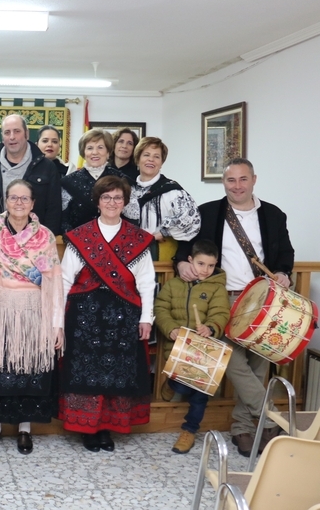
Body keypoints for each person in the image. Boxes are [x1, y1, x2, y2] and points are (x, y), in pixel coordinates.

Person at [174, 158, 294, 457]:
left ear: (254, 179)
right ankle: (269, 417)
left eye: (243, 179)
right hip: (221, 297)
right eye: (231, 180)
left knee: (258, 361)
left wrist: (283, 272)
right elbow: (185, 245)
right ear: (223, 182)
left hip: (262, 298)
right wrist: (180, 262)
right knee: (230, 358)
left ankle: (242, 427)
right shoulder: (209, 212)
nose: (237, 186)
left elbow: (286, 253)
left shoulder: (274, 215)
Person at [60, 176, 155, 452]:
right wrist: (58, 321)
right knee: (86, 372)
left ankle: (107, 429)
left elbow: (146, 281)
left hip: (124, 317)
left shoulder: (137, 238)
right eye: (106, 197)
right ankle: (87, 429)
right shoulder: (81, 236)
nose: (111, 202)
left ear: (125, 202)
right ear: (97, 201)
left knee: (118, 374)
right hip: (84, 318)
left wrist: (146, 318)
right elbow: (66, 280)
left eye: (117, 198)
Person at [0, 179, 64, 455]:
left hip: (33, 310)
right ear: (6, 201)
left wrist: (56, 323)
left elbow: (54, 281)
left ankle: (25, 428)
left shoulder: (45, 236)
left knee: (29, 367)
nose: (19, 203)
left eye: (25, 199)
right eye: (14, 198)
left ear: (33, 203)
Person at [154, 239, 230, 454]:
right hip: (178, 347)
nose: (205, 270)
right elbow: (161, 308)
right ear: (190, 261)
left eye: (210, 265)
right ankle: (171, 385)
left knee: (199, 393)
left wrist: (212, 328)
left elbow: (221, 313)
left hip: (204, 351)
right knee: (180, 383)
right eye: (200, 264)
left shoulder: (217, 288)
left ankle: (189, 430)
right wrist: (170, 329)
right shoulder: (173, 285)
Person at [0, 115, 63, 235]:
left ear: (26, 133)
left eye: (17, 131)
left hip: (35, 243)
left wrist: (46, 241)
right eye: (7, 132)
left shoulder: (47, 168)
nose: (12, 137)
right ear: (2, 136)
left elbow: (54, 211)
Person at [122, 137, 201, 261]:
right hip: (128, 253)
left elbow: (192, 219)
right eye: (146, 155)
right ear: (137, 159)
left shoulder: (173, 191)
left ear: (161, 162)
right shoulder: (126, 189)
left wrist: (163, 233)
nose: (151, 159)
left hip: (160, 255)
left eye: (156, 156)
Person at [60, 128, 129, 233]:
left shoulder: (121, 179)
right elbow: (62, 218)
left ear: (108, 152)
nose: (95, 152)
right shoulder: (67, 182)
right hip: (79, 242)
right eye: (90, 148)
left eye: (100, 147)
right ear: (84, 152)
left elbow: (131, 217)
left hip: (116, 240)